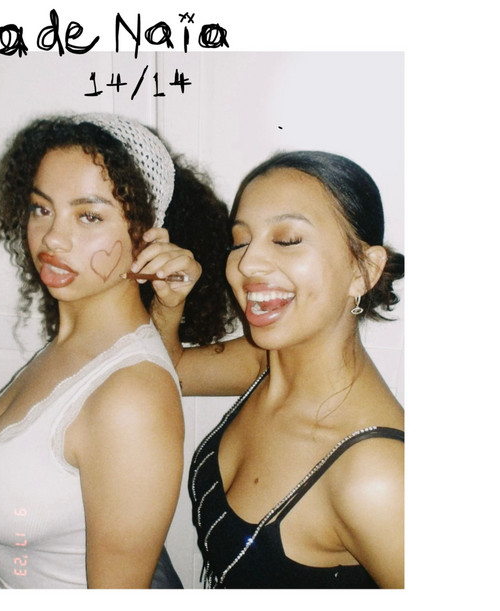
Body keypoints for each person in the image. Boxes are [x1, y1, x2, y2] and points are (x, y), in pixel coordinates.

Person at [0, 113, 235, 588]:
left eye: (88, 216)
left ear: (148, 235)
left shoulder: (131, 397)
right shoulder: (72, 348)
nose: (53, 237)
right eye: (41, 208)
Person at [137, 150, 405, 588]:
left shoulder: (376, 474)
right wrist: (170, 304)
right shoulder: (268, 360)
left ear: (364, 269)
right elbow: (171, 372)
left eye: (287, 240)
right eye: (240, 241)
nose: (247, 264)